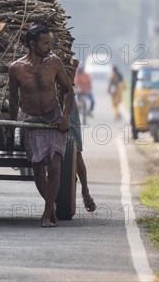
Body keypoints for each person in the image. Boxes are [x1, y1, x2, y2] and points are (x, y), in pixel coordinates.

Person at [7, 25, 73, 227]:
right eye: (45, 43)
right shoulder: (16, 68)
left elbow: (68, 90)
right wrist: (12, 124)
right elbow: (13, 97)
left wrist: (65, 117)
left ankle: (46, 214)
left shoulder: (54, 62)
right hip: (31, 119)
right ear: (32, 44)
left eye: (50, 43)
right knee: (37, 169)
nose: (49, 47)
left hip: (53, 118)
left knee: (54, 165)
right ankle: (50, 206)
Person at [67, 59, 96, 212]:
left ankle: (85, 190)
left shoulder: (60, 61)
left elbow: (70, 85)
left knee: (76, 152)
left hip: (66, 102)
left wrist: (72, 69)